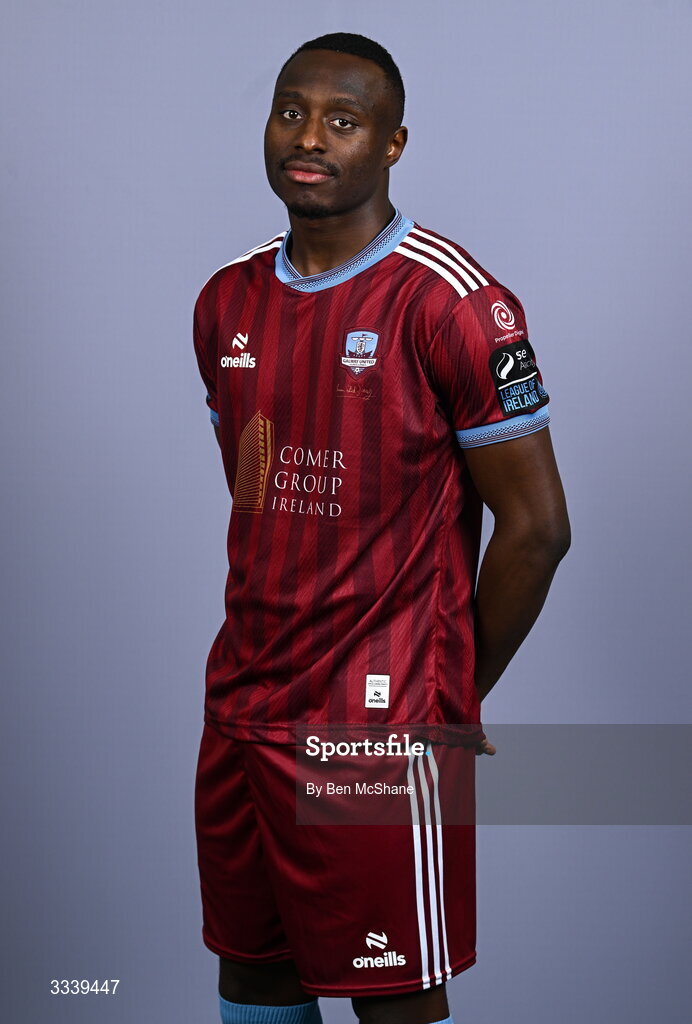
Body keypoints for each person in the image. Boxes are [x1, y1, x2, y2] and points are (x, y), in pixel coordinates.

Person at [192, 31, 570, 1024]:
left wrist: (446, 696)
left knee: (390, 994)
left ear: (393, 144)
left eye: (343, 121)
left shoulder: (452, 302)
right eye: (290, 112)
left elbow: (537, 529)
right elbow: (258, 491)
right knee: (253, 974)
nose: (308, 138)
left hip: (375, 728)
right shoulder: (225, 300)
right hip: (242, 707)